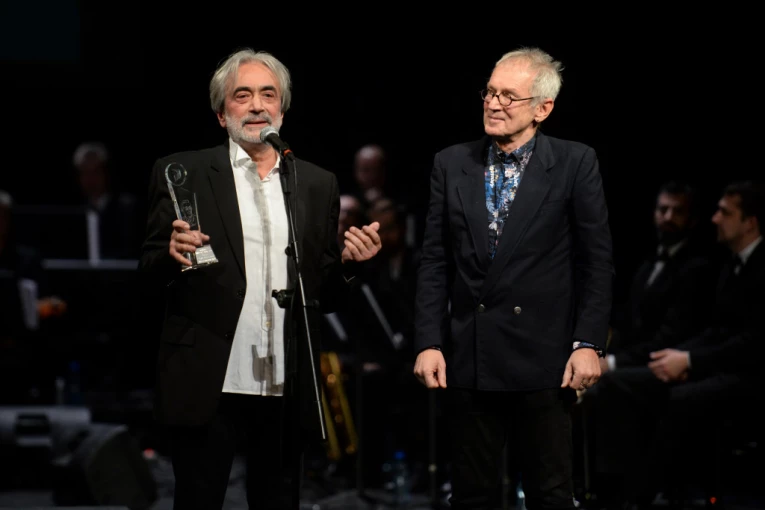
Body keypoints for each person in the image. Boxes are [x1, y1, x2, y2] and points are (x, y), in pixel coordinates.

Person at [138, 48, 381, 509]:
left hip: (285, 380)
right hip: (210, 376)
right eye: (242, 95)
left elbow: (322, 294)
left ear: (282, 110)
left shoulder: (315, 183)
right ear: (221, 113)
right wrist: (171, 256)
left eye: (268, 95)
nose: (257, 106)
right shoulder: (185, 172)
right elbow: (148, 275)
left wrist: (349, 264)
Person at [413, 47, 613, 509]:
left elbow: (596, 262)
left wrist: (589, 342)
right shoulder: (451, 162)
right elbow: (435, 261)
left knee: (550, 494)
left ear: (543, 108)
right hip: (471, 356)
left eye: (508, 96)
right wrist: (429, 341)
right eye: (489, 92)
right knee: (471, 495)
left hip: (544, 361)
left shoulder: (575, 162)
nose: (493, 103)